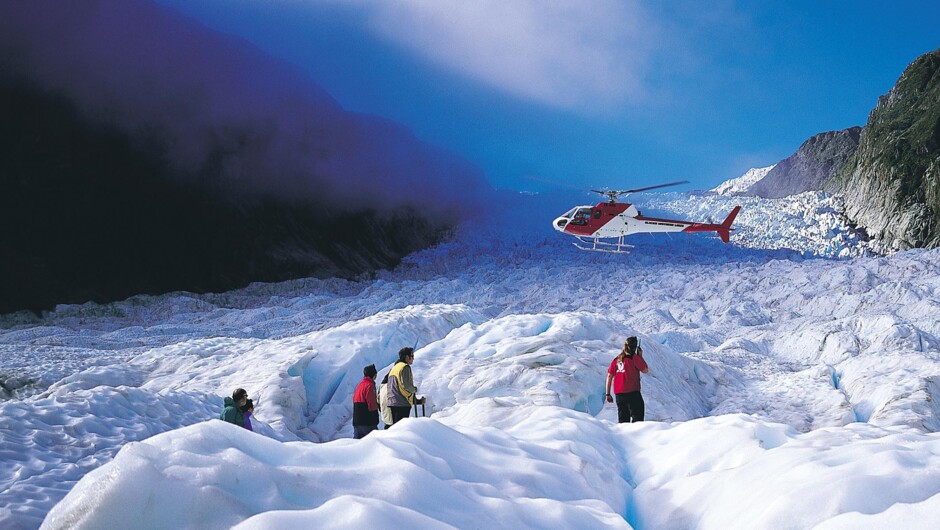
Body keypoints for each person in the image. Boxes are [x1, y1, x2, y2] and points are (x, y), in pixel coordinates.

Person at [605, 336, 649, 423]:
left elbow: (609, 376)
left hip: (619, 394)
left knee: (623, 419)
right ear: (635, 347)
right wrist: (640, 356)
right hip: (633, 393)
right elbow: (645, 370)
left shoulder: (616, 360)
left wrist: (608, 394)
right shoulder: (634, 358)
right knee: (637, 418)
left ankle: (623, 435)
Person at [386, 347, 426, 426]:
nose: (413, 359)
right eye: (412, 356)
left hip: (392, 401)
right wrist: (414, 389)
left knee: (395, 427)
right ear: (407, 357)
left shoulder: (394, 368)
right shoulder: (405, 367)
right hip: (402, 402)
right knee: (402, 428)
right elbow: (407, 386)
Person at [352, 364, 380, 438]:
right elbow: (372, 404)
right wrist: (376, 417)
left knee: (357, 445)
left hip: (356, 421)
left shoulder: (360, 385)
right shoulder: (370, 385)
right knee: (374, 442)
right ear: (374, 375)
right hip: (367, 421)